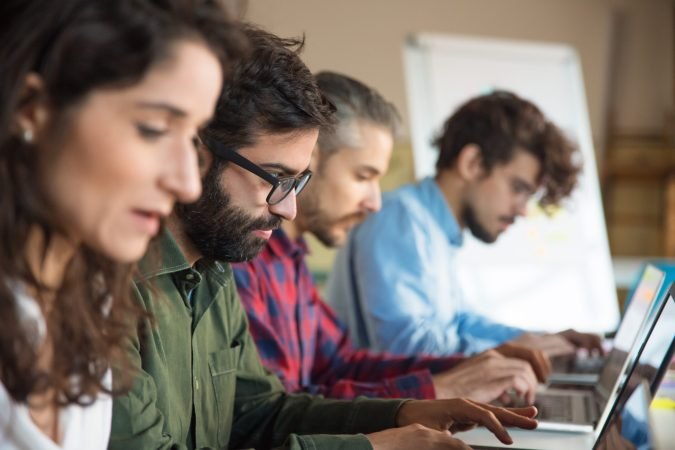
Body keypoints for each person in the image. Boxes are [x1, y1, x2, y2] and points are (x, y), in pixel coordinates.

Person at [109, 26, 539, 450]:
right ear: (198, 155)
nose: (288, 208)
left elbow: (259, 413)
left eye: (297, 182)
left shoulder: (215, 271)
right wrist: (375, 447)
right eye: (274, 179)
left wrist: (403, 413)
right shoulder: (112, 285)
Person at [0, 0, 239, 448]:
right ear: (32, 109)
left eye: (192, 138)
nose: (188, 184)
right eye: (152, 128)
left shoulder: (93, 303)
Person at [232, 72, 550, 406]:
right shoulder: (246, 259)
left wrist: (471, 369)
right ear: (308, 161)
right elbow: (277, 413)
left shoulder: (291, 259)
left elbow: (340, 365)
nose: (375, 202)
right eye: (363, 176)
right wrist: (443, 389)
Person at [326, 91, 603, 359]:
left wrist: (541, 341)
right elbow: (410, 350)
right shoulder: (400, 219)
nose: (522, 210)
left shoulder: (435, 229)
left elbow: (458, 322)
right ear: (473, 163)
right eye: (517, 188)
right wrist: (515, 351)